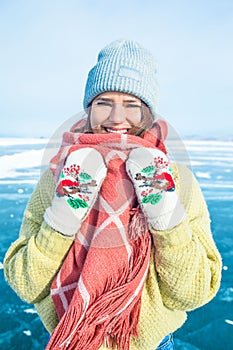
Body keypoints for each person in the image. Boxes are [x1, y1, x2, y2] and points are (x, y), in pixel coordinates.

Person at [4, 39, 222, 350]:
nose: (116, 116)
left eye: (132, 104)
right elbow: (26, 283)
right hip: (71, 340)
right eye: (104, 101)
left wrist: (165, 216)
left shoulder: (178, 180)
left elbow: (191, 293)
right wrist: (63, 217)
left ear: (148, 112)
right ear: (89, 108)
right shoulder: (57, 177)